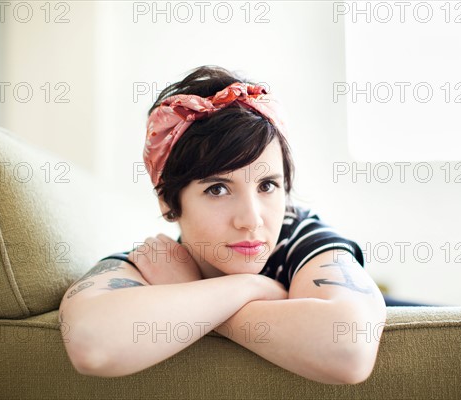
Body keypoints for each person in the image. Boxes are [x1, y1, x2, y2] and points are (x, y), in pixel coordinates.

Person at [58, 66, 387, 385]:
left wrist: (195, 301)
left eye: (267, 186)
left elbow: (350, 349)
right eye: (217, 189)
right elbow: (92, 344)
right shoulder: (158, 262)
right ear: (168, 202)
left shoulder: (299, 236)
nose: (252, 219)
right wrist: (251, 288)